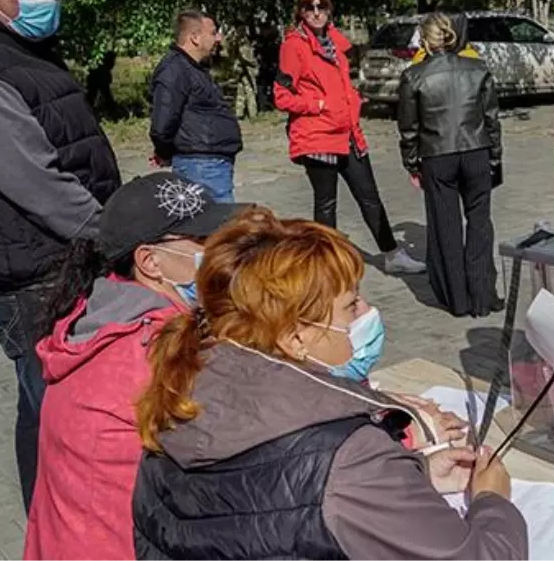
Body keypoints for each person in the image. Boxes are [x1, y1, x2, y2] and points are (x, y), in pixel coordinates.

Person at [130, 208, 526, 560]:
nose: (369, 312)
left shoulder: (179, 393)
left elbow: (273, 501)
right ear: (295, 338)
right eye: (351, 305)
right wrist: (492, 500)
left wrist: (412, 473)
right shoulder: (349, 456)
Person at [23, 173, 245, 561]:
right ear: (149, 261)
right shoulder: (159, 354)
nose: (221, 253)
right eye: (203, 242)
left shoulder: (96, 318)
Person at [0, 0, 122, 512]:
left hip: (49, 259)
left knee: (38, 401)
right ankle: (65, 524)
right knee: (55, 402)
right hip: (30, 272)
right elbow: (36, 182)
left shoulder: (24, 50)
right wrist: (116, 230)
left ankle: (50, 517)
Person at [274, 0, 425, 275]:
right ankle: (325, 265)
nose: (316, 13)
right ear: (301, 12)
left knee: (370, 196)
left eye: (322, 6)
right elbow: (282, 95)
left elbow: (340, 84)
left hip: (348, 133)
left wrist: (353, 100)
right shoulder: (293, 46)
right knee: (326, 204)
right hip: (317, 137)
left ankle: (392, 253)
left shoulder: (335, 42)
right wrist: (318, 104)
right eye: (309, 7)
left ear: (330, 9)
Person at [398, 13, 503, 318]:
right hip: (476, 150)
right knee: (480, 223)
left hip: (437, 154)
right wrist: (494, 157)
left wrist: (411, 163)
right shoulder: (478, 67)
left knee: (446, 226)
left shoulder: (414, 75)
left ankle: (458, 298)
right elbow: (491, 118)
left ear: (425, 40)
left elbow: (408, 128)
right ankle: (483, 295)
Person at [149, 10, 244, 202]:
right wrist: (165, 152)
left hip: (210, 164)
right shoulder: (174, 69)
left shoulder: (193, 68)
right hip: (201, 166)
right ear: (194, 37)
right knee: (219, 228)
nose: (218, 38)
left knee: (220, 227)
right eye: (213, 32)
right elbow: (163, 123)